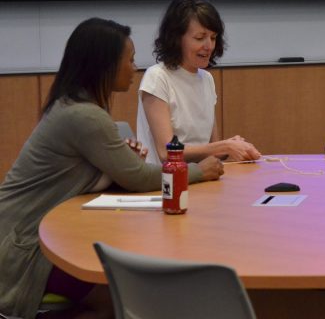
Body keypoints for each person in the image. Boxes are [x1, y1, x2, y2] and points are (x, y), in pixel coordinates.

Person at [0, 18, 224, 318]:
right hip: (27, 255)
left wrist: (112, 166)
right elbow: (139, 177)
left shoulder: (73, 106)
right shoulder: (84, 116)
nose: (134, 67)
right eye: (128, 60)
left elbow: (101, 174)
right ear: (104, 65)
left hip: (28, 239)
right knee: (134, 273)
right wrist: (200, 171)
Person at [137, 0, 261, 165]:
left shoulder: (207, 79)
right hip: (166, 184)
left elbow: (211, 149)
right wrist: (223, 146)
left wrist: (233, 146)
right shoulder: (157, 77)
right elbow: (166, 152)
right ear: (176, 38)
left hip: (200, 178)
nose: (209, 46)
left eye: (213, 38)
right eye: (200, 38)